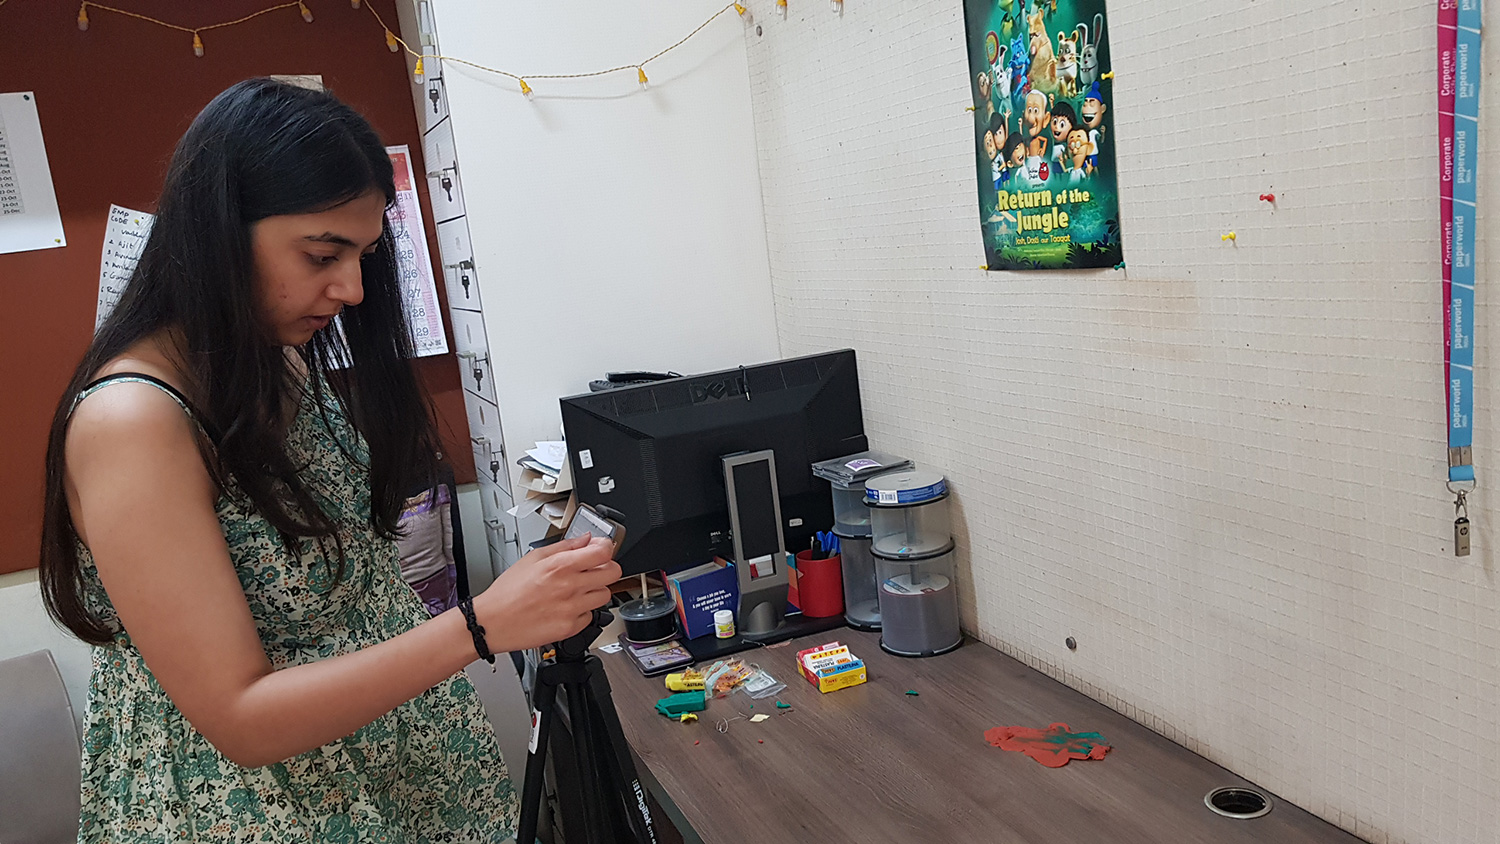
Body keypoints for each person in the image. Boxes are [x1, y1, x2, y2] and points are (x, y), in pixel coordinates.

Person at [37, 78, 621, 842]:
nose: (350, 288)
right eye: (321, 254)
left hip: (393, 772)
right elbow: (242, 718)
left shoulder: (274, 359)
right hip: (267, 809)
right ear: (217, 234)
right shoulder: (133, 421)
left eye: (364, 256)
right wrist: (481, 625)